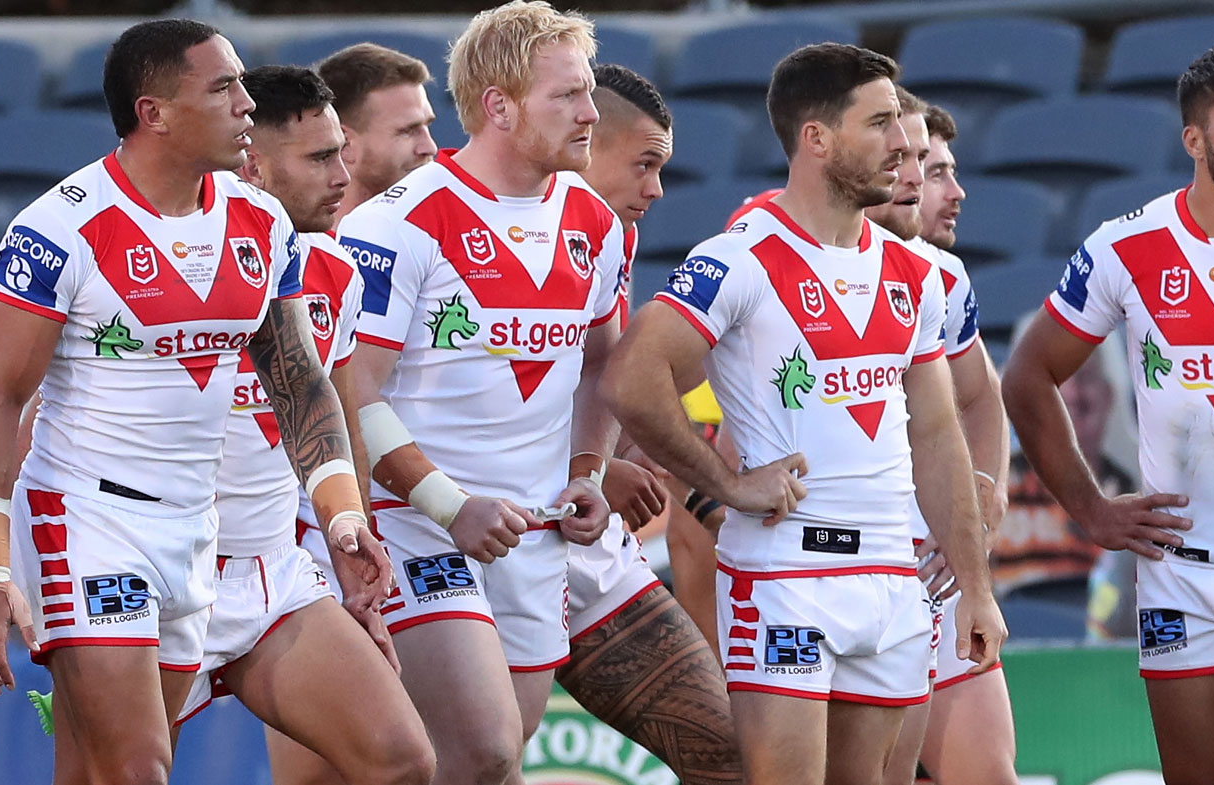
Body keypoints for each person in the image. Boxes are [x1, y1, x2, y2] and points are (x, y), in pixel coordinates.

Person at [0, 19, 385, 785]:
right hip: (86, 519)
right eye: (223, 88)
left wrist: (343, 512)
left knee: (98, 773)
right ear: (153, 113)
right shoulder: (61, 227)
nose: (246, 104)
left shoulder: (261, 222)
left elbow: (298, 381)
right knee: (138, 769)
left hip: (194, 527)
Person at [601, 43, 1005, 785]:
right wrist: (727, 484)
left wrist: (977, 587)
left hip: (893, 576)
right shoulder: (741, 257)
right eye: (880, 124)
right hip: (786, 576)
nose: (902, 145)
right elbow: (632, 376)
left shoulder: (917, 273)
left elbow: (937, 431)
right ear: (816, 138)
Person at [1004, 43, 1214, 785]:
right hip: (1183, 578)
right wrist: (1089, 510)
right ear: (1194, 139)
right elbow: (1028, 376)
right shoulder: (1126, 247)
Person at [337, 3, 622, 782]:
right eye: (567, 95)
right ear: (499, 106)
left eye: (588, 91)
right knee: (486, 747)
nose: (591, 113)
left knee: (486, 765)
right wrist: (448, 504)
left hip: (535, 532)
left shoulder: (595, 221)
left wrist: (590, 471)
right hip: (418, 524)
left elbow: (604, 365)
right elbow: (350, 388)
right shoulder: (397, 222)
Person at [167, 64, 433, 785]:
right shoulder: (155, 259)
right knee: (123, 774)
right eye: (319, 159)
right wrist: (4, 565)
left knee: (402, 762)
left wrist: (351, 545)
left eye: (342, 153)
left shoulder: (335, 272)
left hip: (274, 572)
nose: (343, 177)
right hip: (160, 572)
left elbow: (335, 422)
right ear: (251, 164)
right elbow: (44, 413)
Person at [559, 62, 741, 784]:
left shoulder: (607, 237)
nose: (658, 189)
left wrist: (702, 491)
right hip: (465, 546)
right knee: (469, 761)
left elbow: (604, 385)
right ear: (583, 142)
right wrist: (594, 468)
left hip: (578, 541)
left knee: (728, 756)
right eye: (644, 164)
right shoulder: (433, 225)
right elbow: (445, 414)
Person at [866, 97, 1017, 785]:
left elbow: (983, 396)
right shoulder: (773, 253)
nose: (952, 191)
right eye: (930, 169)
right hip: (832, 578)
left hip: (936, 578)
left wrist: (983, 494)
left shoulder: (942, 276)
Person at [317, 43, 439, 223]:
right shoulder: (287, 237)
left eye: (427, 126)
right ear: (344, 143)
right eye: (407, 131)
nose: (430, 147)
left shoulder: (443, 235)